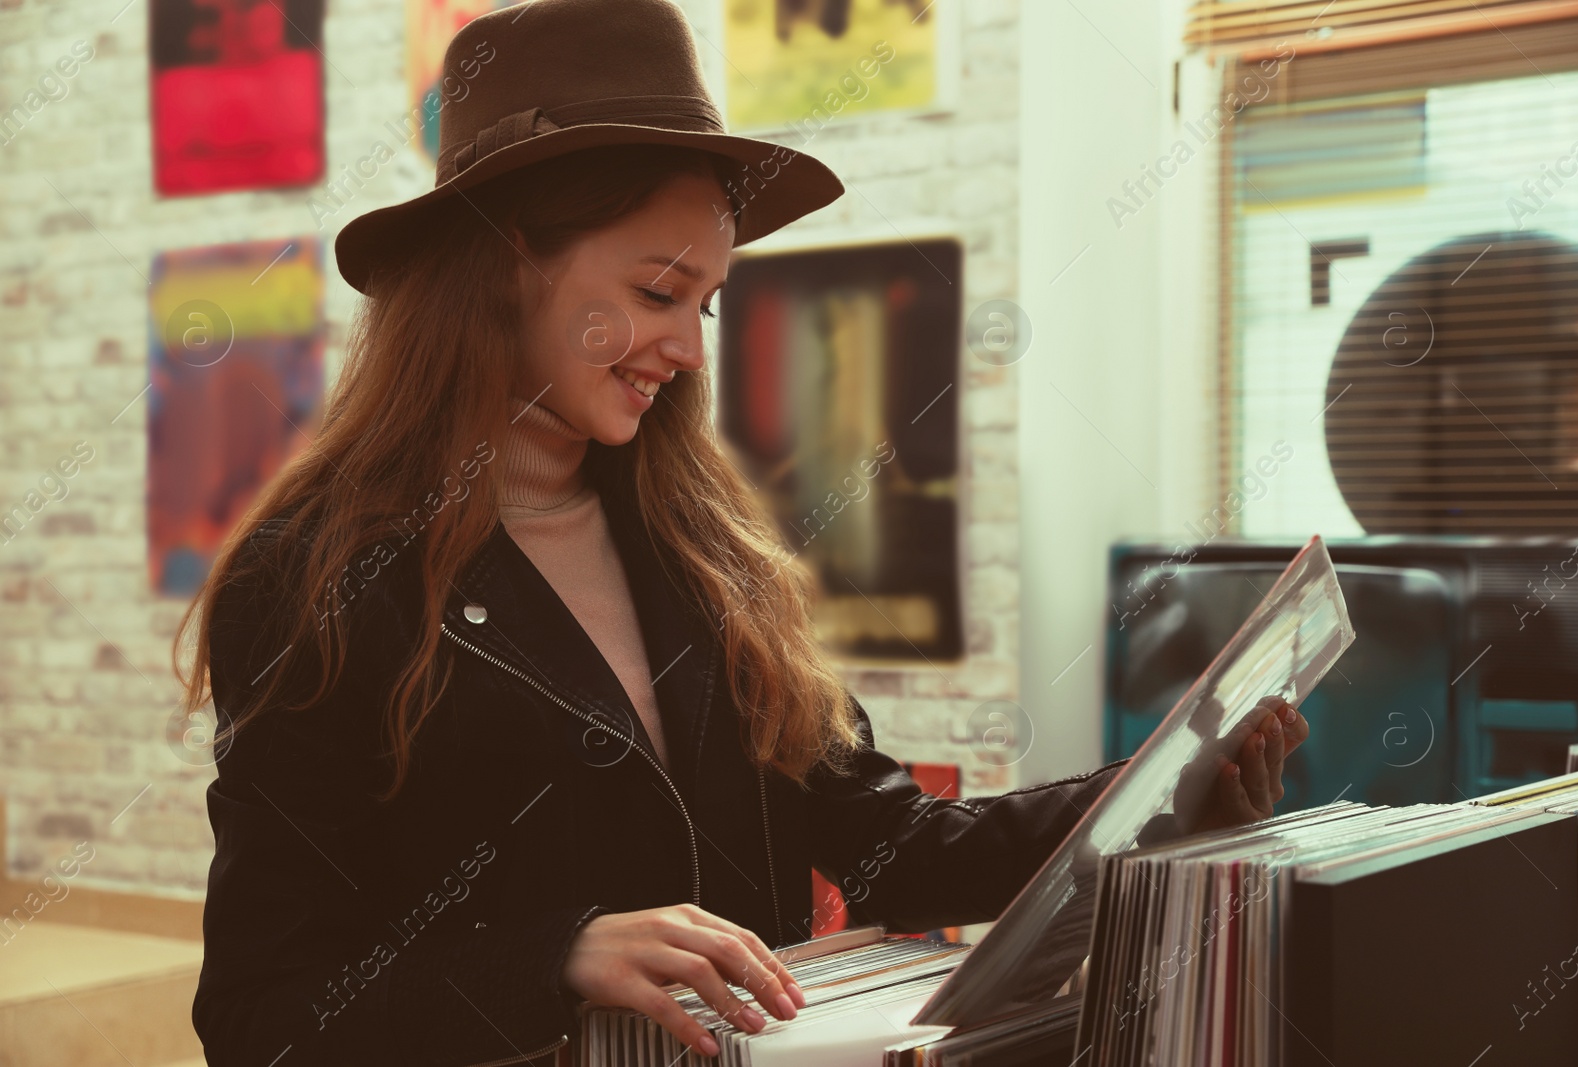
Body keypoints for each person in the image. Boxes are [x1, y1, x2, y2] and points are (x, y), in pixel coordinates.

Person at [174, 1, 1309, 1064]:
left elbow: (893, 848)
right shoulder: (311, 579)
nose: (691, 349)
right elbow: (263, 1012)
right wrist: (556, 955)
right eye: (660, 291)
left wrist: (1158, 794)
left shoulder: (698, 542)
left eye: (706, 302)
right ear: (504, 261)